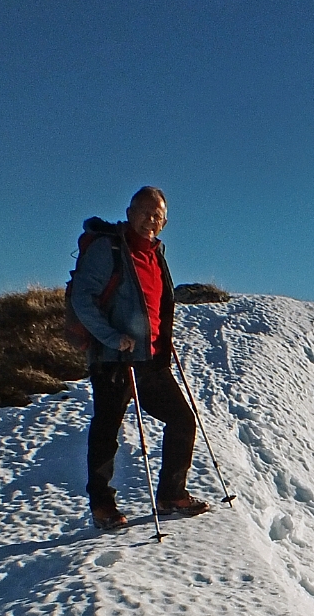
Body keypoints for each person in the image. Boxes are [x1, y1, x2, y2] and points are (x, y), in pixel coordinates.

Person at [69, 186, 210, 529]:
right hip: (113, 358)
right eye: (145, 212)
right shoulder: (109, 248)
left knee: (182, 419)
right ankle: (102, 506)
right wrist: (113, 338)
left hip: (150, 358)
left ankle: (171, 495)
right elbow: (82, 299)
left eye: (157, 216)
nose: (151, 220)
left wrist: (162, 340)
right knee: (107, 428)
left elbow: (157, 303)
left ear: (164, 222)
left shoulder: (157, 254)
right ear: (130, 211)